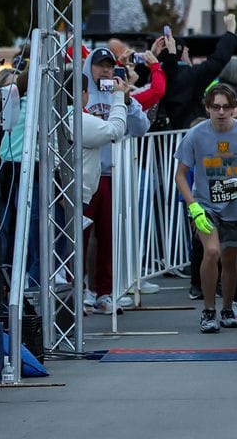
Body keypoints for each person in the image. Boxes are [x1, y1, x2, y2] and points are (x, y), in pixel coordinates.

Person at [173, 84, 237, 333]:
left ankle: (227, 308)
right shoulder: (195, 135)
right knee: (211, 252)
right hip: (205, 205)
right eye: (215, 107)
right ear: (208, 108)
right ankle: (208, 310)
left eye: (226, 107)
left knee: (231, 257)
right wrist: (193, 207)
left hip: (235, 206)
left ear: (234, 109)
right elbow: (180, 175)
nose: (221, 112)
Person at [82, 47, 151, 313]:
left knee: (109, 236)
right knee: (80, 236)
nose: (106, 71)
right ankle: (80, 291)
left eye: (110, 66)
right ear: (91, 67)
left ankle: (104, 292)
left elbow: (142, 128)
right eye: (100, 65)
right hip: (86, 175)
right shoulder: (82, 92)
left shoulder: (118, 94)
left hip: (112, 173)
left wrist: (127, 99)